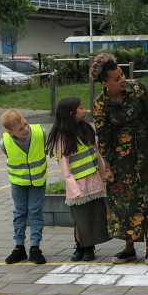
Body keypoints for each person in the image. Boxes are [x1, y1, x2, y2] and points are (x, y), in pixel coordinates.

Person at [90, 52, 148, 265]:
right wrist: (107, 167)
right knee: (123, 202)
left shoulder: (138, 88)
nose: (122, 80)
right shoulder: (99, 105)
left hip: (145, 154)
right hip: (120, 160)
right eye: (117, 79)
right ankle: (129, 248)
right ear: (105, 83)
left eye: (122, 75)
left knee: (147, 198)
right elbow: (103, 137)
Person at [45, 97, 110, 262]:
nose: (84, 110)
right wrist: (74, 189)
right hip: (78, 185)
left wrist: (104, 174)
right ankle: (80, 246)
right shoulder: (63, 137)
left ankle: (89, 246)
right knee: (80, 219)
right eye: (81, 108)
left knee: (92, 216)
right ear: (71, 113)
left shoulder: (87, 129)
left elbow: (96, 154)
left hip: (93, 182)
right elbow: (65, 168)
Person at [0, 109, 47, 265]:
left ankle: (35, 248)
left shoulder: (41, 133)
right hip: (18, 183)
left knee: (35, 211)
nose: (26, 129)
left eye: (25, 124)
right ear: (10, 131)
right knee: (19, 213)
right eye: (20, 129)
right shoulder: (4, 143)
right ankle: (19, 247)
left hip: (37, 182)